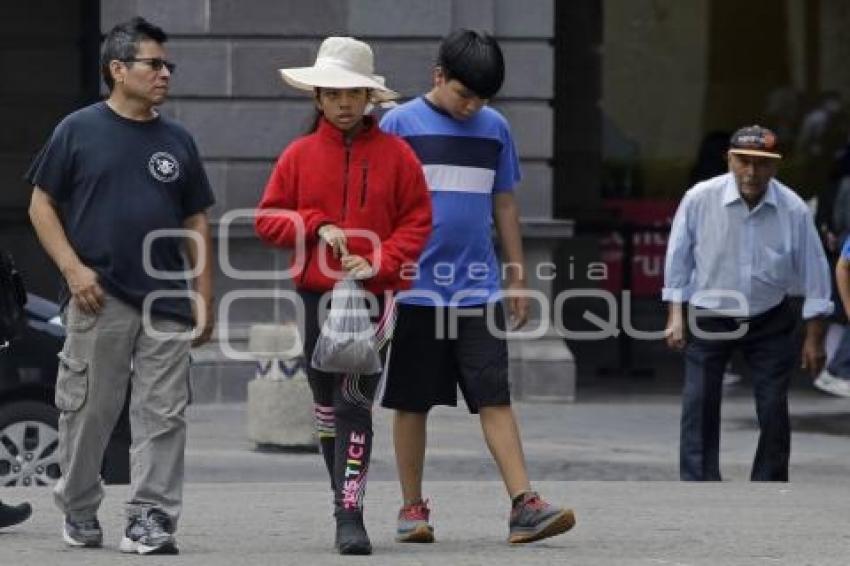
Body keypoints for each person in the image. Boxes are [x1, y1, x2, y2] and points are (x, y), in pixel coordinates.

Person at [378, 29, 576, 544]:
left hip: (478, 289)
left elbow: (504, 203)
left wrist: (517, 276)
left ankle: (524, 504)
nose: (472, 107)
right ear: (437, 76)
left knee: (495, 396)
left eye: (482, 98)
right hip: (415, 289)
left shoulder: (495, 128)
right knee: (412, 401)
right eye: (464, 94)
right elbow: (383, 206)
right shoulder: (398, 124)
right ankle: (411, 507)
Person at [26, 17, 215, 554]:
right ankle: (80, 509)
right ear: (118, 69)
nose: (164, 74)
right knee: (89, 412)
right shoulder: (77, 129)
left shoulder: (177, 139)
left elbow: (196, 221)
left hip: (167, 300)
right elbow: (41, 204)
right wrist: (72, 268)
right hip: (98, 294)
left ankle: (150, 517)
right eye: (153, 64)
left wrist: (205, 295)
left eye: (167, 65)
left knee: (163, 415)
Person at [254, 36, 431, 555]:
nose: (345, 102)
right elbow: (267, 219)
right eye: (333, 93)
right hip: (316, 296)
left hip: (376, 299)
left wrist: (377, 261)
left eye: (354, 92)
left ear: (370, 96)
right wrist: (317, 225)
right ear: (318, 99)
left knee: (354, 400)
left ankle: (348, 514)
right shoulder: (297, 156)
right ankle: (343, 497)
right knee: (325, 403)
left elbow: (418, 220)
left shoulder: (398, 156)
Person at [663, 125, 833, 481]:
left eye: (762, 164)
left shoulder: (793, 209)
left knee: (773, 405)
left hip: (769, 316)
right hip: (709, 313)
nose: (752, 173)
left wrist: (815, 338)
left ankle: (769, 481)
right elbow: (678, 259)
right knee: (700, 401)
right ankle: (698, 481)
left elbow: (816, 273)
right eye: (743, 162)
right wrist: (675, 315)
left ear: (776, 166)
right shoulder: (700, 198)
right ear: (729, 160)